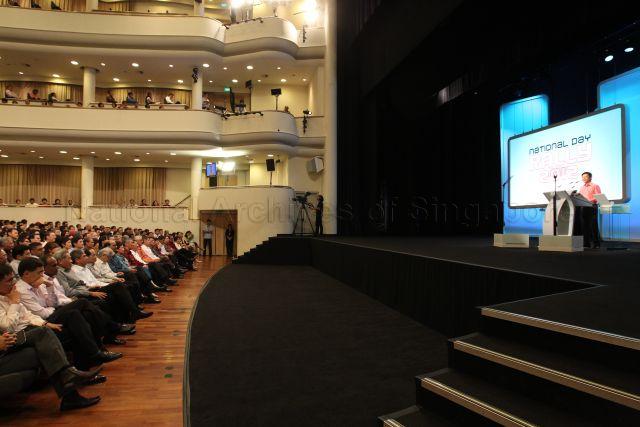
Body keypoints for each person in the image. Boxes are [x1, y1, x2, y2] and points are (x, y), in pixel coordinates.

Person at [578, 171, 602, 249]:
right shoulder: (582, 187)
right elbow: (581, 197)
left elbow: (598, 197)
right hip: (583, 207)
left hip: (592, 207)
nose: (584, 178)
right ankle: (586, 243)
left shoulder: (595, 186)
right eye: (583, 177)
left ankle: (596, 243)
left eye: (586, 177)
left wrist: (590, 200)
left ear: (590, 177)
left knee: (593, 225)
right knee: (584, 226)